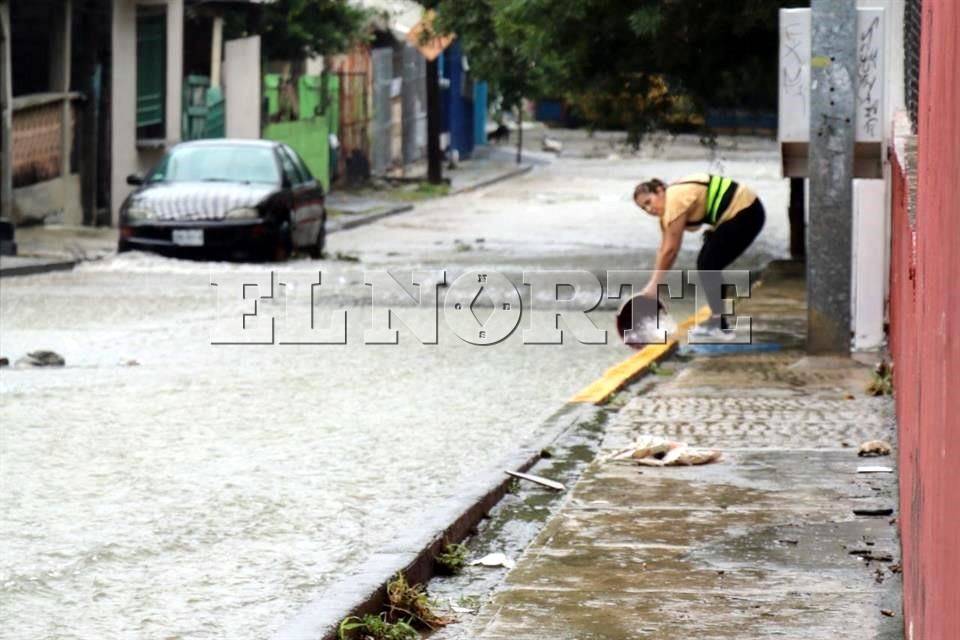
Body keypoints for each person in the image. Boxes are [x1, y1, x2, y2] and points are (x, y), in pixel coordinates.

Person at [633, 173, 765, 339]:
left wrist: (653, 286)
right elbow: (664, 249)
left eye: (648, 202)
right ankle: (719, 320)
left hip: (746, 212)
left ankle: (719, 324)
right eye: (643, 208)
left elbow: (671, 250)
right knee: (709, 264)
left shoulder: (674, 199)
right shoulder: (670, 206)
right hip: (744, 212)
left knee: (708, 264)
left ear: (660, 190)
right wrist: (653, 284)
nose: (649, 210)